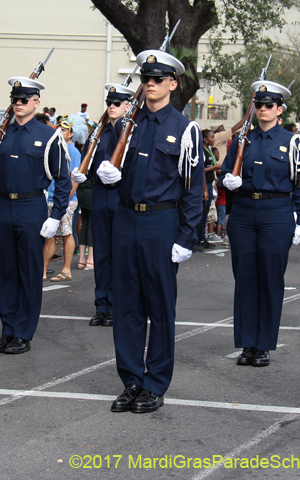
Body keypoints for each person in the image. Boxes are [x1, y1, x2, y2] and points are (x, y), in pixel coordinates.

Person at [96, 49, 203, 414]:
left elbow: (192, 187)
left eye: (158, 79)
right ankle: (131, 380)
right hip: (126, 219)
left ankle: (155, 382)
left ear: (173, 84)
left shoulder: (184, 128)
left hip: (161, 223)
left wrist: (187, 236)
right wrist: (107, 178)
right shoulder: (128, 124)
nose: (150, 84)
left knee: (159, 307)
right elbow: (106, 169)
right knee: (126, 305)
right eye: (146, 78)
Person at [0, 76, 71, 356]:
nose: (18, 104)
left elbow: (62, 178)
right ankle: (7, 329)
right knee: (4, 272)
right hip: (3, 205)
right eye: (14, 100)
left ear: (36, 103)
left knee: (27, 272)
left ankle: (23, 332)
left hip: (31, 206)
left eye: (24, 100)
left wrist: (56, 214)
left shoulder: (48, 135)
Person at [220, 80, 300, 367]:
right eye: (258, 105)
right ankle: (247, 343)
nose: (262, 109)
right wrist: (228, 180)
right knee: (245, 279)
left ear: (279, 109)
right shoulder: (242, 139)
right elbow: (225, 172)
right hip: (245, 211)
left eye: (268, 105)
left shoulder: (291, 141)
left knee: (271, 280)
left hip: (276, 211)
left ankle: (264, 344)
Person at [71, 83, 135, 327]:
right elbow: (88, 159)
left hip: (121, 195)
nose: (111, 107)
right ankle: (102, 306)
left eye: (117, 103)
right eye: (109, 103)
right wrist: (81, 174)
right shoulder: (99, 131)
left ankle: (119, 306)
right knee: (103, 254)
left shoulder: (130, 132)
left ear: (128, 106)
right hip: (100, 196)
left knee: (121, 254)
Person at [43, 116, 79, 282]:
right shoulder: (54, 146)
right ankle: (42, 270)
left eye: (64, 130)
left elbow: (73, 179)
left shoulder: (73, 151)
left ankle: (66, 270)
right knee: (49, 235)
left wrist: (63, 200)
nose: (60, 132)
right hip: (50, 197)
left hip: (66, 200)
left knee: (66, 233)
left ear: (70, 134)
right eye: (58, 128)